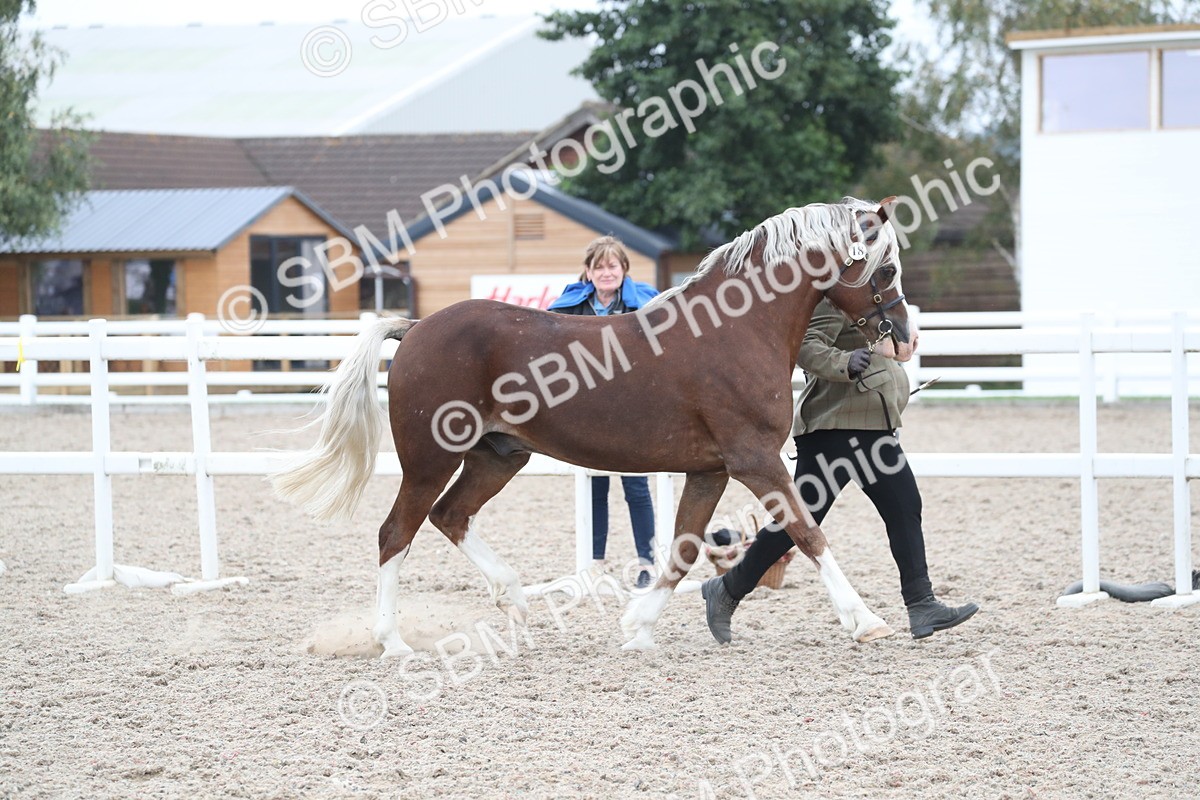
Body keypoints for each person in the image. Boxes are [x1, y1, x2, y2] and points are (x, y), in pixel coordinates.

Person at [700, 297, 979, 641]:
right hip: (835, 429)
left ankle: (921, 604)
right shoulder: (834, 300)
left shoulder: (875, 299)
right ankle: (726, 589)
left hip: (872, 427)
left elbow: (879, 350)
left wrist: (901, 347)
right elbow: (806, 346)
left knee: (904, 507)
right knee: (797, 523)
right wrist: (846, 361)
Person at [548, 236, 660, 588]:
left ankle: (648, 563)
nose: (605, 272)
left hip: (634, 409)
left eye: (612, 265)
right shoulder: (569, 306)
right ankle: (595, 564)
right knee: (594, 487)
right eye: (599, 266)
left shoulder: (648, 303)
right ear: (588, 272)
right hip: (588, 410)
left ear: (624, 269)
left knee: (637, 488)